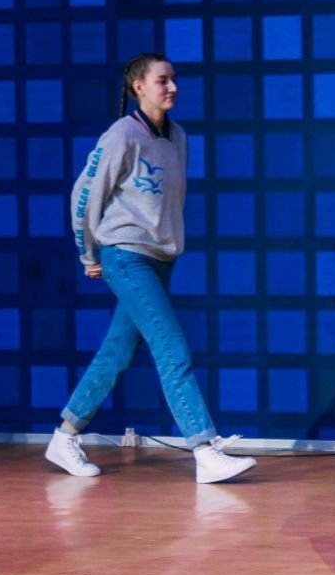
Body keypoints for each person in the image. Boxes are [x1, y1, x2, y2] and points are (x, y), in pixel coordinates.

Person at [44, 54, 256, 484]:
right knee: (172, 349)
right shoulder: (122, 135)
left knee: (116, 353)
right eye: (162, 80)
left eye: (174, 79)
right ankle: (203, 449)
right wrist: (88, 254)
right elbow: (83, 194)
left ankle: (64, 436)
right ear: (138, 87)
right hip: (125, 255)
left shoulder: (178, 137)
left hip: (160, 260)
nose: (172, 87)